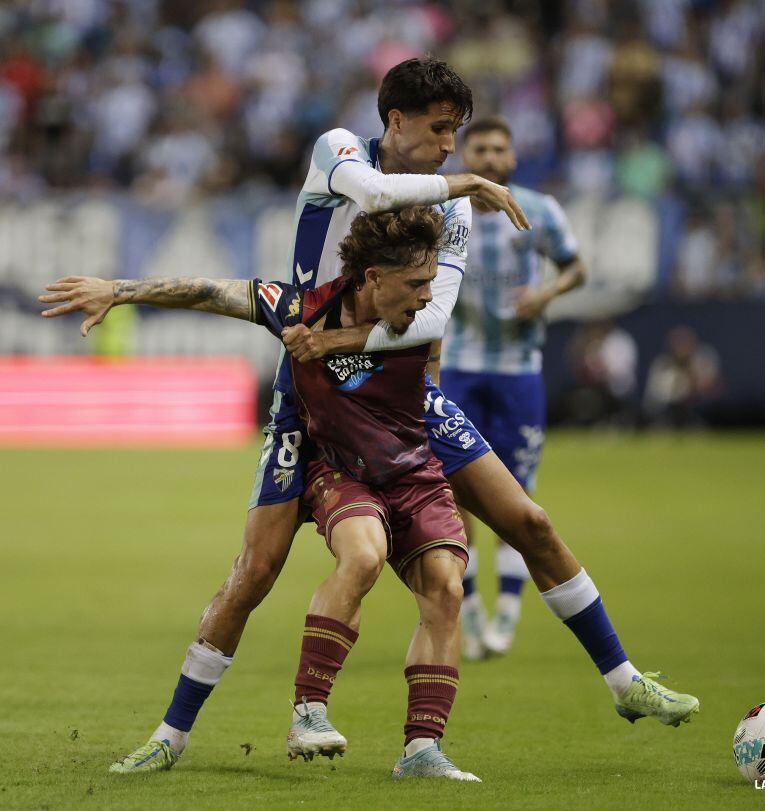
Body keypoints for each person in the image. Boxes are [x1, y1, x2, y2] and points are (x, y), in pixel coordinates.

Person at [41, 57, 699, 774]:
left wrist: (334, 337)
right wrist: (122, 287)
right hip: (310, 402)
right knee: (254, 571)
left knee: (531, 524)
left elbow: (432, 318)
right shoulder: (341, 154)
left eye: (459, 134)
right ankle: (171, 734)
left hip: (403, 394)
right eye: (440, 128)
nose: (450, 145)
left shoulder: (447, 211)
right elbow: (362, 202)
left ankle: (622, 681)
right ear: (396, 120)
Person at [48, 208, 481, 780]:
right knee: (330, 559)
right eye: (417, 284)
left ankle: (421, 750)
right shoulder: (300, 307)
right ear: (373, 277)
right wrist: (119, 291)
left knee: (448, 587)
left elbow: (425, 375)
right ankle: (263, 718)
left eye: (431, 282)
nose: (431, 297)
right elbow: (209, 292)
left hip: (411, 468)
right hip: (338, 467)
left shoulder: (422, 319)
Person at [438, 116, 587, 659]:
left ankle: (506, 614)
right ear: (464, 155)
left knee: (516, 497)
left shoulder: (540, 209)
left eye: (501, 148)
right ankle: (471, 613)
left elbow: (575, 268)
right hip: (457, 364)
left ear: (513, 157)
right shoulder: (441, 210)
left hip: (520, 367)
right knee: (455, 497)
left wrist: (546, 294)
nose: (492, 157)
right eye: (481, 148)